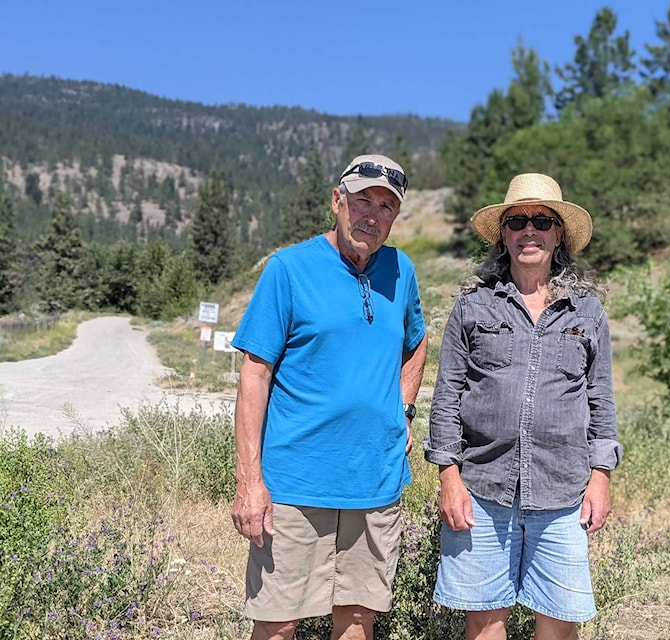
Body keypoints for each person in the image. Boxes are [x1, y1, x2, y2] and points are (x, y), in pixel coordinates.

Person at [231, 154, 428, 640]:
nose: (373, 215)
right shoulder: (289, 269)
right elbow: (253, 376)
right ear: (337, 201)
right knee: (278, 621)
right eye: (363, 200)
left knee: (359, 616)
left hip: (375, 481)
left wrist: (403, 408)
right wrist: (249, 481)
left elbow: (417, 340)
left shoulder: (401, 270)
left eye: (386, 206)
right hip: (296, 483)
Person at [425, 173, 622, 639]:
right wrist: (449, 480)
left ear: (558, 235)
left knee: (558, 622)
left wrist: (601, 478)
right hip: (481, 488)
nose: (528, 230)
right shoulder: (473, 305)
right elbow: (447, 394)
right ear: (503, 235)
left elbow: (602, 400)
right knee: (484, 618)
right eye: (516, 221)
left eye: (541, 221)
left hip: (563, 490)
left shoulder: (586, 311)